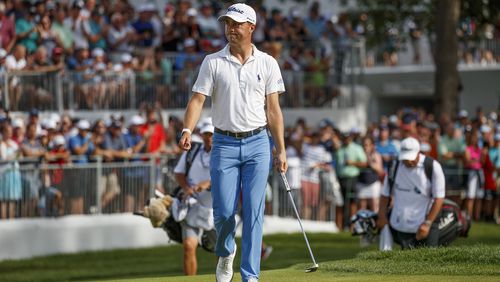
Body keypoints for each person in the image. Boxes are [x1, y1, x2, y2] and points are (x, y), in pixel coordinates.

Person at [178, 4, 286, 282]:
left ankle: (250, 275)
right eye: (227, 24)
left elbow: (273, 110)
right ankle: (226, 252)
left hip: (258, 144)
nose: (231, 28)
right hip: (224, 144)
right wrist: (187, 129)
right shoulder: (212, 61)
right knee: (224, 212)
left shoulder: (267, 62)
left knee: (253, 212)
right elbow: (197, 100)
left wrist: (281, 149)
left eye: (237, 24)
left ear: (251, 27)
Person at [377, 137, 445, 249]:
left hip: (426, 221)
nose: (408, 161)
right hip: (402, 223)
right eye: (405, 158)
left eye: (411, 157)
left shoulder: (433, 167)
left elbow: (439, 198)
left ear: (419, 152)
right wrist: (382, 216)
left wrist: (427, 224)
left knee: (430, 259)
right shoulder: (394, 167)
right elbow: (385, 194)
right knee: (406, 260)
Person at [174, 123, 214, 276]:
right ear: (202, 135)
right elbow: (179, 173)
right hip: (192, 206)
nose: (209, 137)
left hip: (215, 208)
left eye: (211, 134)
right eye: (206, 134)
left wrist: (208, 183)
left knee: (222, 251)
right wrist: (187, 188)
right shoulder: (193, 151)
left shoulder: (224, 152)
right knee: (189, 246)